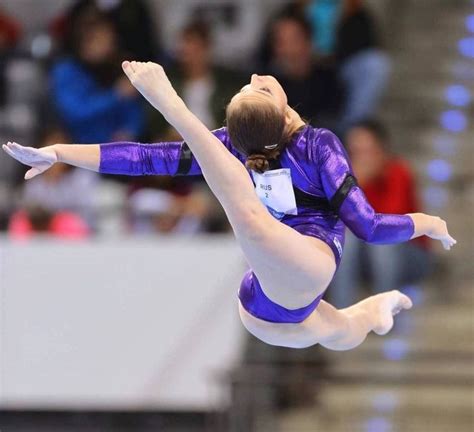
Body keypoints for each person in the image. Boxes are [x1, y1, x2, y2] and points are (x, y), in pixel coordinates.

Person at [2, 62, 456, 350]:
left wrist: (424, 221)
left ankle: (368, 315)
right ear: (279, 111)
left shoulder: (270, 153)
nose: (257, 78)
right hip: (262, 306)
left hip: (303, 267)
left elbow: (370, 227)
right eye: (255, 89)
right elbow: (142, 157)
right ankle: (369, 314)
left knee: (245, 209)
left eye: (252, 85)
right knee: (338, 329)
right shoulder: (314, 144)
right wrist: (60, 151)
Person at [329, 120, 433, 308]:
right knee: (346, 239)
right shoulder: (342, 175)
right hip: (363, 255)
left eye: (368, 151)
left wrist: (359, 182)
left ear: (382, 150)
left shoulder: (398, 172)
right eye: (355, 152)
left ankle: (384, 313)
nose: (362, 158)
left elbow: (393, 221)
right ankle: (341, 313)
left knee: (382, 240)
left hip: (408, 253)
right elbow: (334, 220)